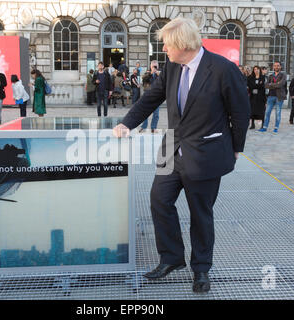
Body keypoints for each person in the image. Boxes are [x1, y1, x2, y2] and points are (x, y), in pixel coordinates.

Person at [112, 17, 250, 293]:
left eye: (166, 44)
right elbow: (151, 98)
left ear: (181, 44)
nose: (163, 49)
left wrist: (236, 148)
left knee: (201, 214)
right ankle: (171, 258)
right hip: (170, 148)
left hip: (206, 153)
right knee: (158, 200)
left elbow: (241, 112)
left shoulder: (223, 69)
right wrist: (127, 123)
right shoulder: (172, 68)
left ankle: (201, 269)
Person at [259, 61, 287, 133]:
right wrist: (274, 84)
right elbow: (266, 85)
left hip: (279, 97)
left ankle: (276, 128)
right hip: (270, 96)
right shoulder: (270, 76)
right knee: (267, 112)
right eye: (275, 66)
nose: (276, 67)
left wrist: (271, 84)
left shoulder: (283, 75)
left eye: (278, 65)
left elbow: (280, 84)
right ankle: (264, 127)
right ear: (273, 67)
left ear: (280, 67)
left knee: (277, 113)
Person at [139, 60, 161, 133]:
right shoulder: (147, 74)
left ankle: (153, 128)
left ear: (158, 66)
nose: (154, 67)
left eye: (156, 66)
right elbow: (144, 80)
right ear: (150, 66)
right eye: (153, 66)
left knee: (156, 114)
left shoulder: (160, 74)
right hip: (148, 96)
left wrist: (159, 75)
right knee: (145, 113)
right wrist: (151, 73)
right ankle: (143, 127)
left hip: (157, 97)